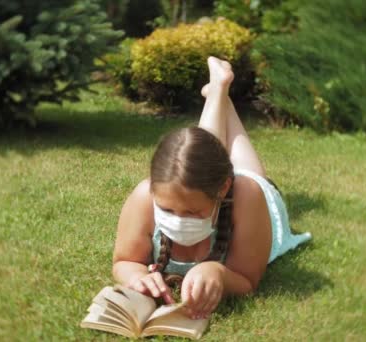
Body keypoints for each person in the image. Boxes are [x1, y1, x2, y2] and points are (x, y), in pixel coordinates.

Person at [112, 56, 311, 320]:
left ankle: (219, 90)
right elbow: (124, 262)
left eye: (193, 213)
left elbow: (247, 279)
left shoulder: (247, 194)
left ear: (222, 189)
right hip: (210, 182)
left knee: (238, 171)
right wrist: (136, 277)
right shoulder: (144, 196)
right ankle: (220, 91)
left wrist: (218, 273)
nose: (178, 220)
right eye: (167, 209)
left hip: (251, 197)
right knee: (198, 158)